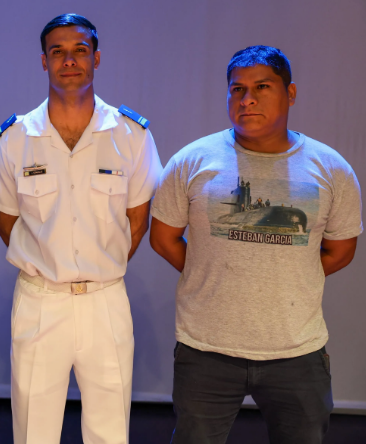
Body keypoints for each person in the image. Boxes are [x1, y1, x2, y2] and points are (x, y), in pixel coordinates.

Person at [150, 45, 362, 444]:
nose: (246, 99)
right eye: (236, 89)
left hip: (297, 351)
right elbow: (163, 239)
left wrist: (288, 272)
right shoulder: (192, 161)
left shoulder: (331, 168)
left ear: (291, 93)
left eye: (262, 87)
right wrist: (210, 267)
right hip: (206, 350)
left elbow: (340, 250)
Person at [0, 14, 163, 444]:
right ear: (43, 62)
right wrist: (52, 264)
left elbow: (138, 222)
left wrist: (97, 264)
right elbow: (7, 223)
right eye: (57, 52)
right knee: (33, 430)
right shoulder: (14, 138)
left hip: (105, 301)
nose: (69, 61)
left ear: (96, 58)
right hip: (41, 300)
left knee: (109, 429)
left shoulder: (130, 135)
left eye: (80, 50)